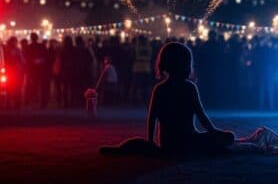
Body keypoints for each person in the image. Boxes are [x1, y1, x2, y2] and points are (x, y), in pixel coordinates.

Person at [100, 42, 235, 156]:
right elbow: (202, 116)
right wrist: (214, 133)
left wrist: (151, 142)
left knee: (136, 144)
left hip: (168, 144)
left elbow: (152, 118)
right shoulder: (189, 87)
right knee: (229, 138)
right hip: (189, 140)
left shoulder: (160, 88)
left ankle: (122, 149)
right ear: (186, 66)